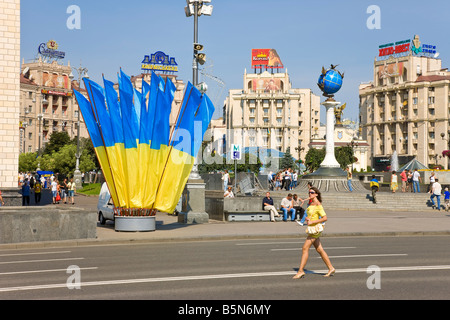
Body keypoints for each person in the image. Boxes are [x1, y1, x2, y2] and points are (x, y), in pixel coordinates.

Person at [293, 187, 335, 279]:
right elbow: (310, 215)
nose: (310, 194)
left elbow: (325, 218)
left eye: (312, 193)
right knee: (319, 250)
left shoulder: (318, 205)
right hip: (311, 229)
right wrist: (308, 219)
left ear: (316, 194)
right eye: (309, 192)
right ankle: (331, 268)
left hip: (315, 230)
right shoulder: (311, 203)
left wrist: (312, 222)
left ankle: (300, 271)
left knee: (305, 248)